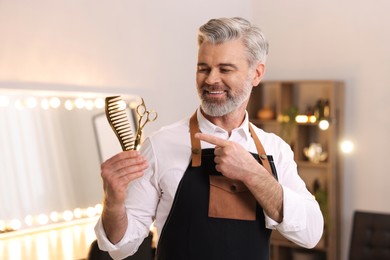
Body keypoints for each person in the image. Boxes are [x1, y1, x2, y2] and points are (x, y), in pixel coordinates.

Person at [94, 17, 324, 260]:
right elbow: (121, 247)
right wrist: (113, 204)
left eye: (225, 69)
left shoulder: (275, 149)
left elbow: (310, 234)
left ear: (256, 74)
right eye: (203, 68)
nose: (211, 79)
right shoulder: (161, 145)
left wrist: (252, 174)